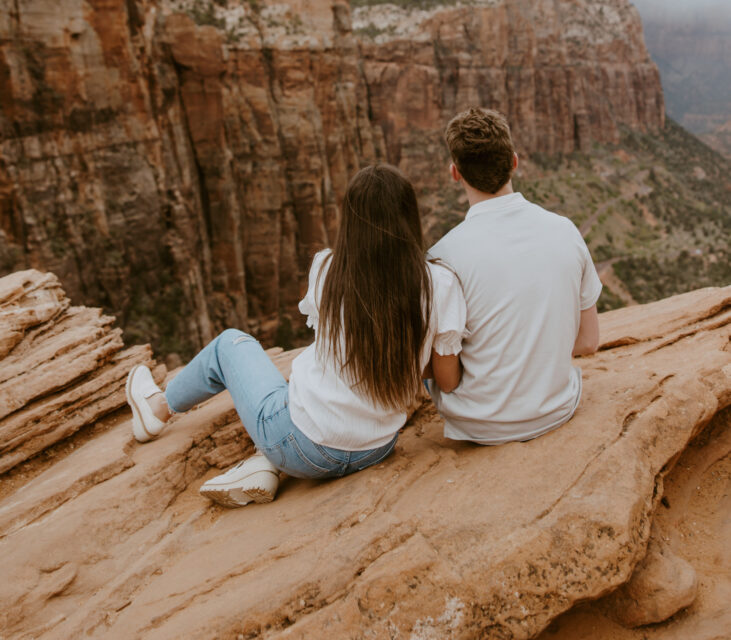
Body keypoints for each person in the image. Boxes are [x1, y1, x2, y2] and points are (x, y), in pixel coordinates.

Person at [126, 163, 466, 507]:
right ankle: (264, 463)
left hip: (302, 446)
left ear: (350, 221)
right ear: (410, 216)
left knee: (229, 343)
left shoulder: (327, 268)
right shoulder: (439, 283)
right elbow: (446, 381)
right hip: (377, 447)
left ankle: (158, 409)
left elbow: (330, 348)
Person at [427, 107, 601, 445]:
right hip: (558, 409)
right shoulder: (565, 230)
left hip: (479, 426)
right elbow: (588, 342)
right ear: (514, 162)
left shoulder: (441, 257)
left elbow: (446, 381)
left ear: (455, 172)